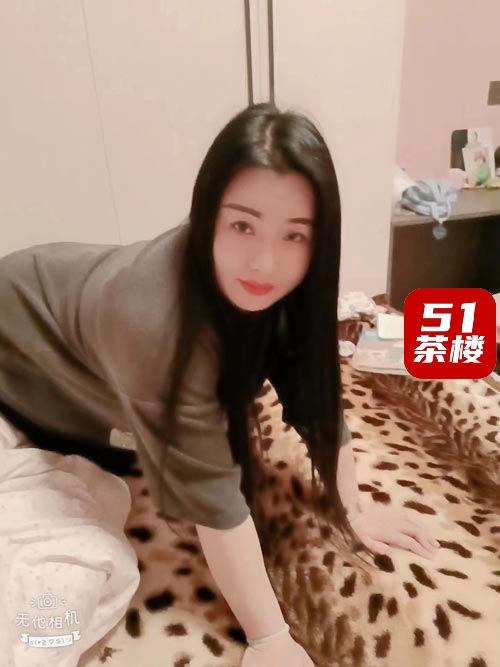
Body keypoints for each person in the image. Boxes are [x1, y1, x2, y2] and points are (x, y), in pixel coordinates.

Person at [0, 103, 439, 666]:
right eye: (242, 225)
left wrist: (353, 506)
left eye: (295, 235)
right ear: (206, 214)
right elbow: (213, 502)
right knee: (60, 590)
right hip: (16, 358)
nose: (265, 262)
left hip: (72, 349)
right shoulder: (153, 320)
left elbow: (314, 397)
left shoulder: (287, 290)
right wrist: (271, 639)